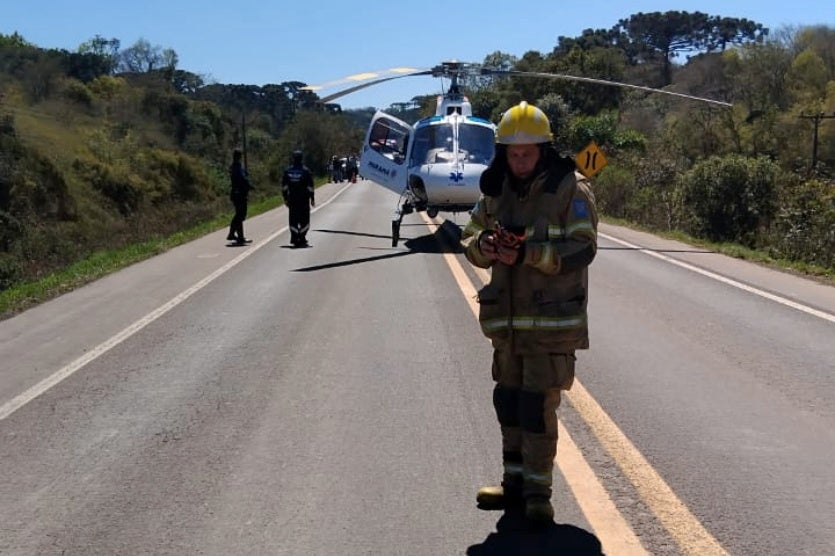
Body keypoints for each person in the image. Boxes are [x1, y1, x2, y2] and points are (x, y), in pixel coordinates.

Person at [461, 101, 598, 522]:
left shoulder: (571, 188)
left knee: (538, 409)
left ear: (544, 149)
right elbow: (470, 235)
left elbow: (583, 247)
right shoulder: (496, 189)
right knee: (509, 401)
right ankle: (513, 484)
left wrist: (527, 254)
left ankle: (539, 495)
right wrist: (483, 247)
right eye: (512, 154)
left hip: (551, 325)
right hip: (508, 327)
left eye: (527, 153)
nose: (519, 162)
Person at [282, 150, 315, 247]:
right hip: (304, 200)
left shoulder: (288, 171)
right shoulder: (306, 171)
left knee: (293, 220)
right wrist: (312, 198)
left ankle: (295, 236)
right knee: (305, 220)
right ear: (301, 159)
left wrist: (285, 198)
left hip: (292, 199)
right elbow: (310, 187)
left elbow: (284, 187)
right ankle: (302, 236)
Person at [227, 148, 253, 244]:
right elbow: (242, 180)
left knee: (239, 215)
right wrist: (249, 186)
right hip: (239, 194)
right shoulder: (236, 167)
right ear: (239, 157)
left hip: (237, 193)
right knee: (240, 215)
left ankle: (240, 237)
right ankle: (231, 233)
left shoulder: (235, 167)